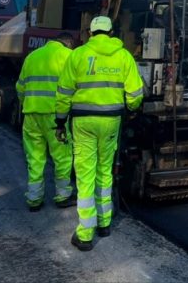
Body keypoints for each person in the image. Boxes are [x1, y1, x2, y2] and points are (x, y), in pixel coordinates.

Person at [55, 15, 143, 251]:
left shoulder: (78, 55)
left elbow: (63, 93)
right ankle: (104, 223)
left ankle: (85, 234)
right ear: (111, 33)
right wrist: (131, 109)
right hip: (111, 121)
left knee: (85, 175)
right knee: (105, 171)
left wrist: (60, 121)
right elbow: (135, 93)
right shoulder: (123, 56)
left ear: (90, 33)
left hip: (83, 122)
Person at [15, 32, 76, 211]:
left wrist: (28, 104)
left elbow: (20, 87)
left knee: (34, 157)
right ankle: (63, 195)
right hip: (56, 117)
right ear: (68, 43)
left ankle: (34, 199)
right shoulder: (69, 56)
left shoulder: (32, 57)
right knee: (62, 156)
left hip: (31, 115)